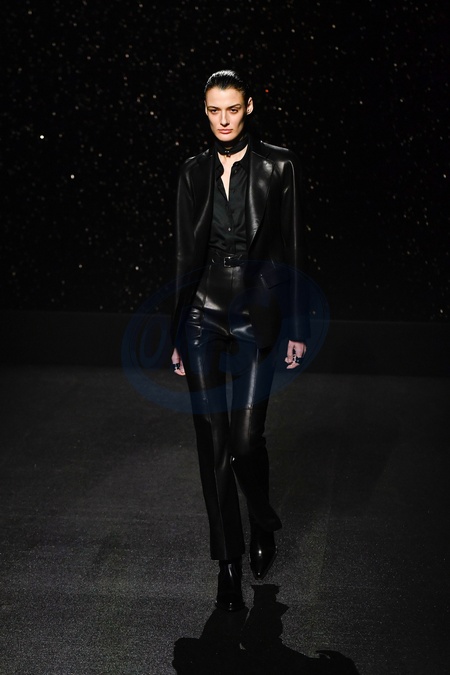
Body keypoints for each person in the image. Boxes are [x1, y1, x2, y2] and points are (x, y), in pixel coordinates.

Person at [170, 70, 309, 612]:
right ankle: (227, 562)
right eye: (213, 110)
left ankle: (263, 518)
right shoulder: (192, 172)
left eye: (232, 108)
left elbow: (293, 247)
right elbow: (183, 255)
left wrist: (297, 326)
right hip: (201, 312)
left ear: (248, 106)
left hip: (256, 311)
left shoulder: (280, 165)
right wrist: (176, 333)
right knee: (212, 440)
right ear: (205, 111)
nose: (223, 120)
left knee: (246, 441)